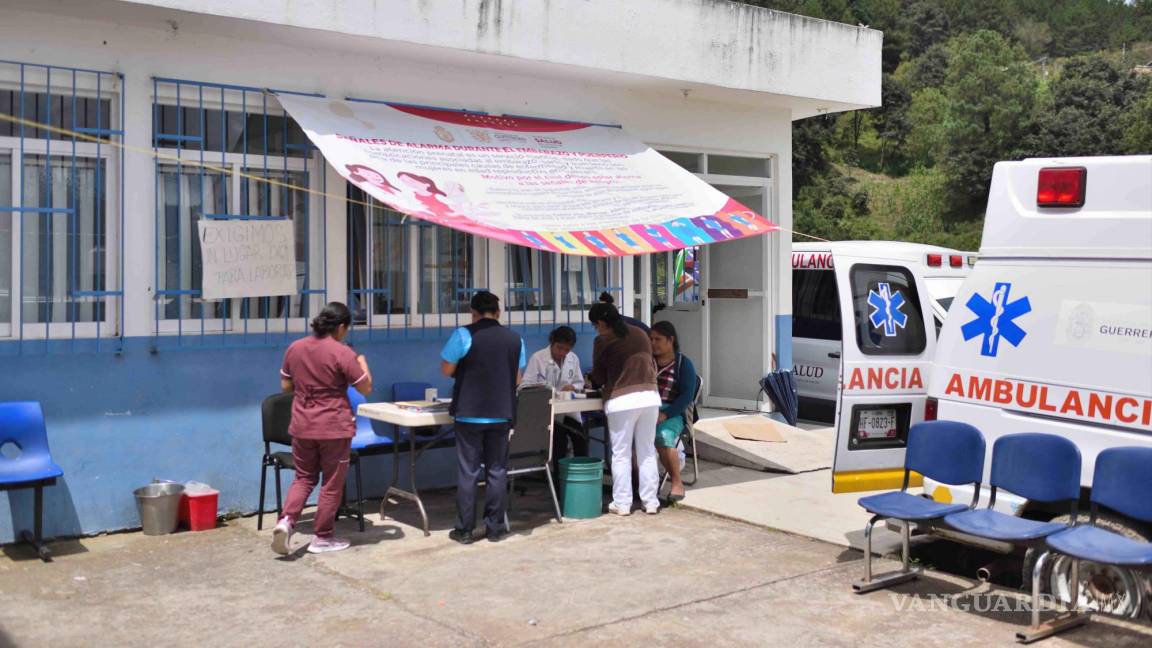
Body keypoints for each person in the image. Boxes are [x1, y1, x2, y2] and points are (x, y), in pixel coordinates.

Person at [273, 302, 373, 555]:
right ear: (341, 328)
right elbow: (366, 388)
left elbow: (286, 386)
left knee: (304, 478)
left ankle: (286, 522)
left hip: (302, 425)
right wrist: (361, 361)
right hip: (334, 428)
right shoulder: (342, 353)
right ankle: (323, 537)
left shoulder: (295, 348)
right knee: (331, 483)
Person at [441, 291, 527, 544]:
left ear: (473, 313)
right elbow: (517, 379)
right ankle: (495, 528)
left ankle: (465, 530)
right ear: (498, 312)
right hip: (501, 413)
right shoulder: (515, 339)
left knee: (468, 471)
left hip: (469, 414)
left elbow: (446, 370)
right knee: (497, 470)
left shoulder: (463, 334)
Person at [588, 302, 661, 515]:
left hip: (622, 400)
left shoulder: (602, 341)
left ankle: (623, 503)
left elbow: (599, 376)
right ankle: (651, 502)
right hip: (650, 397)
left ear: (601, 323)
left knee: (621, 453)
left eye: (595, 325)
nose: (596, 329)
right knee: (647, 451)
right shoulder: (640, 333)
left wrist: (594, 381)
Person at [522, 326, 588, 479]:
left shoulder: (573, 358)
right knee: (558, 442)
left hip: (568, 411)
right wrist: (545, 389)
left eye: (567, 349)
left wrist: (573, 387)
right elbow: (525, 385)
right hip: (546, 413)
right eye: (559, 348)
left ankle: (581, 479)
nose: (562, 353)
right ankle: (559, 487)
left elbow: (579, 382)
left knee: (581, 439)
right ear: (552, 342)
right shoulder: (538, 358)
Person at [650, 321, 698, 502]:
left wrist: (665, 414)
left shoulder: (683, 364)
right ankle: (643, 485)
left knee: (663, 436)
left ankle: (677, 482)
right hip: (648, 410)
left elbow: (686, 397)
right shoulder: (648, 361)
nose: (653, 343)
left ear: (670, 340)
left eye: (658, 339)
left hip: (672, 412)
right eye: (651, 339)